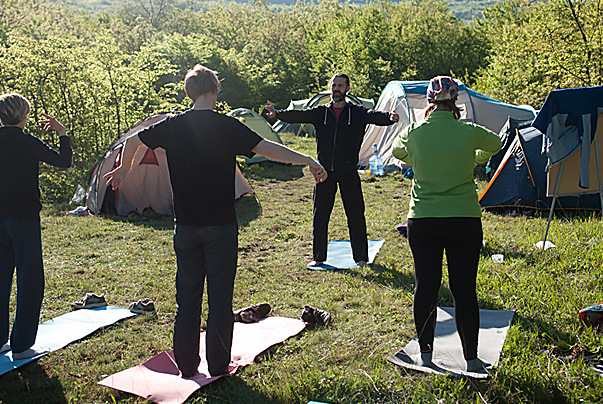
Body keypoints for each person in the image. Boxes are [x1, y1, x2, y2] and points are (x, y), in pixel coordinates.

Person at [104, 64, 327, 378]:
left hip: (186, 227)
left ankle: (186, 367)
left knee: (187, 299)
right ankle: (219, 367)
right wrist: (307, 158)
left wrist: (125, 169)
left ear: (188, 92)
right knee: (220, 300)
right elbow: (269, 149)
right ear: (215, 91)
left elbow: (133, 141)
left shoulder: (172, 125)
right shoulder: (227, 125)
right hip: (221, 226)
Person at [391, 76, 502, 373]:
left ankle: (425, 356)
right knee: (464, 289)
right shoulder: (468, 131)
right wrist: (474, 156)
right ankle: (472, 359)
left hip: (423, 219)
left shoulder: (415, 132)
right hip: (463, 219)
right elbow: (496, 142)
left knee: (425, 286)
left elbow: (397, 153)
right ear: (456, 103)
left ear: (429, 102)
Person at [265, 73, 398, 267]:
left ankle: (360, 257)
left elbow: (374, 116)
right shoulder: (321, 112)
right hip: (324, 171)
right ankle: (318, 257)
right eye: (334, 85)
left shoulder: (356, 112)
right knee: (320, 215)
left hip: (348, 170)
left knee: (355, 214)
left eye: (341, 86)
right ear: (331, 87)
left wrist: (389, 117)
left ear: (347, 89)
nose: (336, 88)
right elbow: (299, 115)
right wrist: (277, 114)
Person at [0, 93, 72, 360]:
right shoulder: (25, 141)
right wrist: (63, 133)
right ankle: (22, 345)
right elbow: (63, 161)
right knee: (30, 279)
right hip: (24, 218)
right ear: (23, 116)